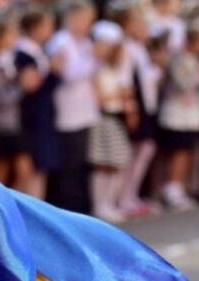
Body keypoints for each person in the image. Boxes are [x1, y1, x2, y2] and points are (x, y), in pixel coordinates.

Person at [46, 0, 98, 213]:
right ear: (73, 18)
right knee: (69, 164)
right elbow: (68, 74)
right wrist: (93, 59)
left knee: (81, 163)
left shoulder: (85, 42)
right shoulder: (60, 42)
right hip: (67, 112)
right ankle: (67, 208)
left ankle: (81, 205)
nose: (88, 25)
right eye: (85, 20)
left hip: (85, 110)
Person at [112, 3, 162, 217]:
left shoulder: (139, 48)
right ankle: (124, 197)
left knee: (144, 149)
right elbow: (124, 80)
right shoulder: (126, 47)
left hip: (146, 103)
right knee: (133, 151)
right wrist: (131, 109)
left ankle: (131, 195)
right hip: (135, 104)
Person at [87, 20, 133, 223]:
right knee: (104, 163)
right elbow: (98, 96)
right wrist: (117, 95)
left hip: (116, 117)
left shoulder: (114, 68)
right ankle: (100, 205)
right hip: (102, 118)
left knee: (117, 162)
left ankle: (109, 203)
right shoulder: (95, 68)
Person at [0, 13, 37, 192]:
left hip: (14, 124)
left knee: (23, 170)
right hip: (0, 125)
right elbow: (0, 98)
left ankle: (11, 204)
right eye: (11, 33)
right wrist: (22, 86)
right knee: (1, 171)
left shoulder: (11, 59)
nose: (15, 37)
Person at [157, 28, 199, 211]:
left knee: (186, 152)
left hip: (189, 116)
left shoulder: (194, 59)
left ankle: (178, 187)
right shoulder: (179, 60)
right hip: (176, 115)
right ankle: (171, 188)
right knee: (178, 152)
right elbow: (183, 84)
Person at [15, 6, 61, 199]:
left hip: (42, 114)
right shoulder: (23, 53)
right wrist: (51, 71)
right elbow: (30, 85)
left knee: (41, 167)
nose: (50, 30)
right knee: (31, 167)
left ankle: (37, 204)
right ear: (34, 27)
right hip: (31, 117)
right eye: (47, 26)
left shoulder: (39, 51)